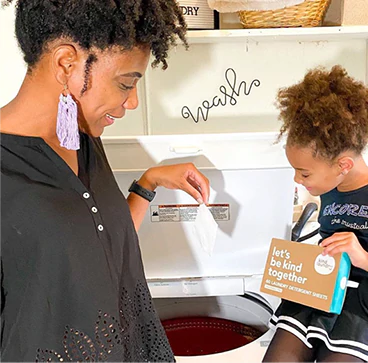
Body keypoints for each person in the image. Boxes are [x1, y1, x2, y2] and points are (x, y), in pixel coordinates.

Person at [0, 1, 210, 361]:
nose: (131, 103)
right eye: (125, 83)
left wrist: (148, 184)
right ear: (67, 63)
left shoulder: (82, 138)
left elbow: (97, 246)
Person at [263, 65, 368, 362]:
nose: (298, 180)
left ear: (343, 165)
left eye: (304, 173)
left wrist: (361, 256)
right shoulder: (331, 189)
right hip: (321, 291)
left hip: (361, 307)